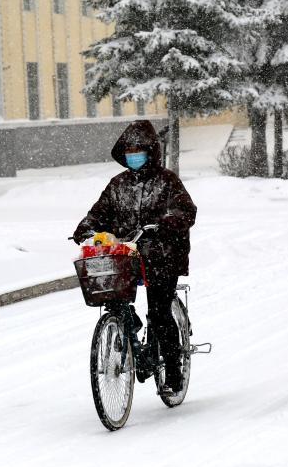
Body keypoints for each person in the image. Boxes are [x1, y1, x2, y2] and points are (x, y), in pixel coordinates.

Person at [72, 120, 197, 394]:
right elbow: (100, 211)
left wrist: (166, 223)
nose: (133, 155)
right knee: (115, 297)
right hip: (127, 255)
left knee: (159, 310)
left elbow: (186, 210)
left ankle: (173, 371)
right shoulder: (118, 185)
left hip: (163, 256)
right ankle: (125, 328)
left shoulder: (167, 181)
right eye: (129, 151)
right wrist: (86, 227)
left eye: (138, 150)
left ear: (150, 152)